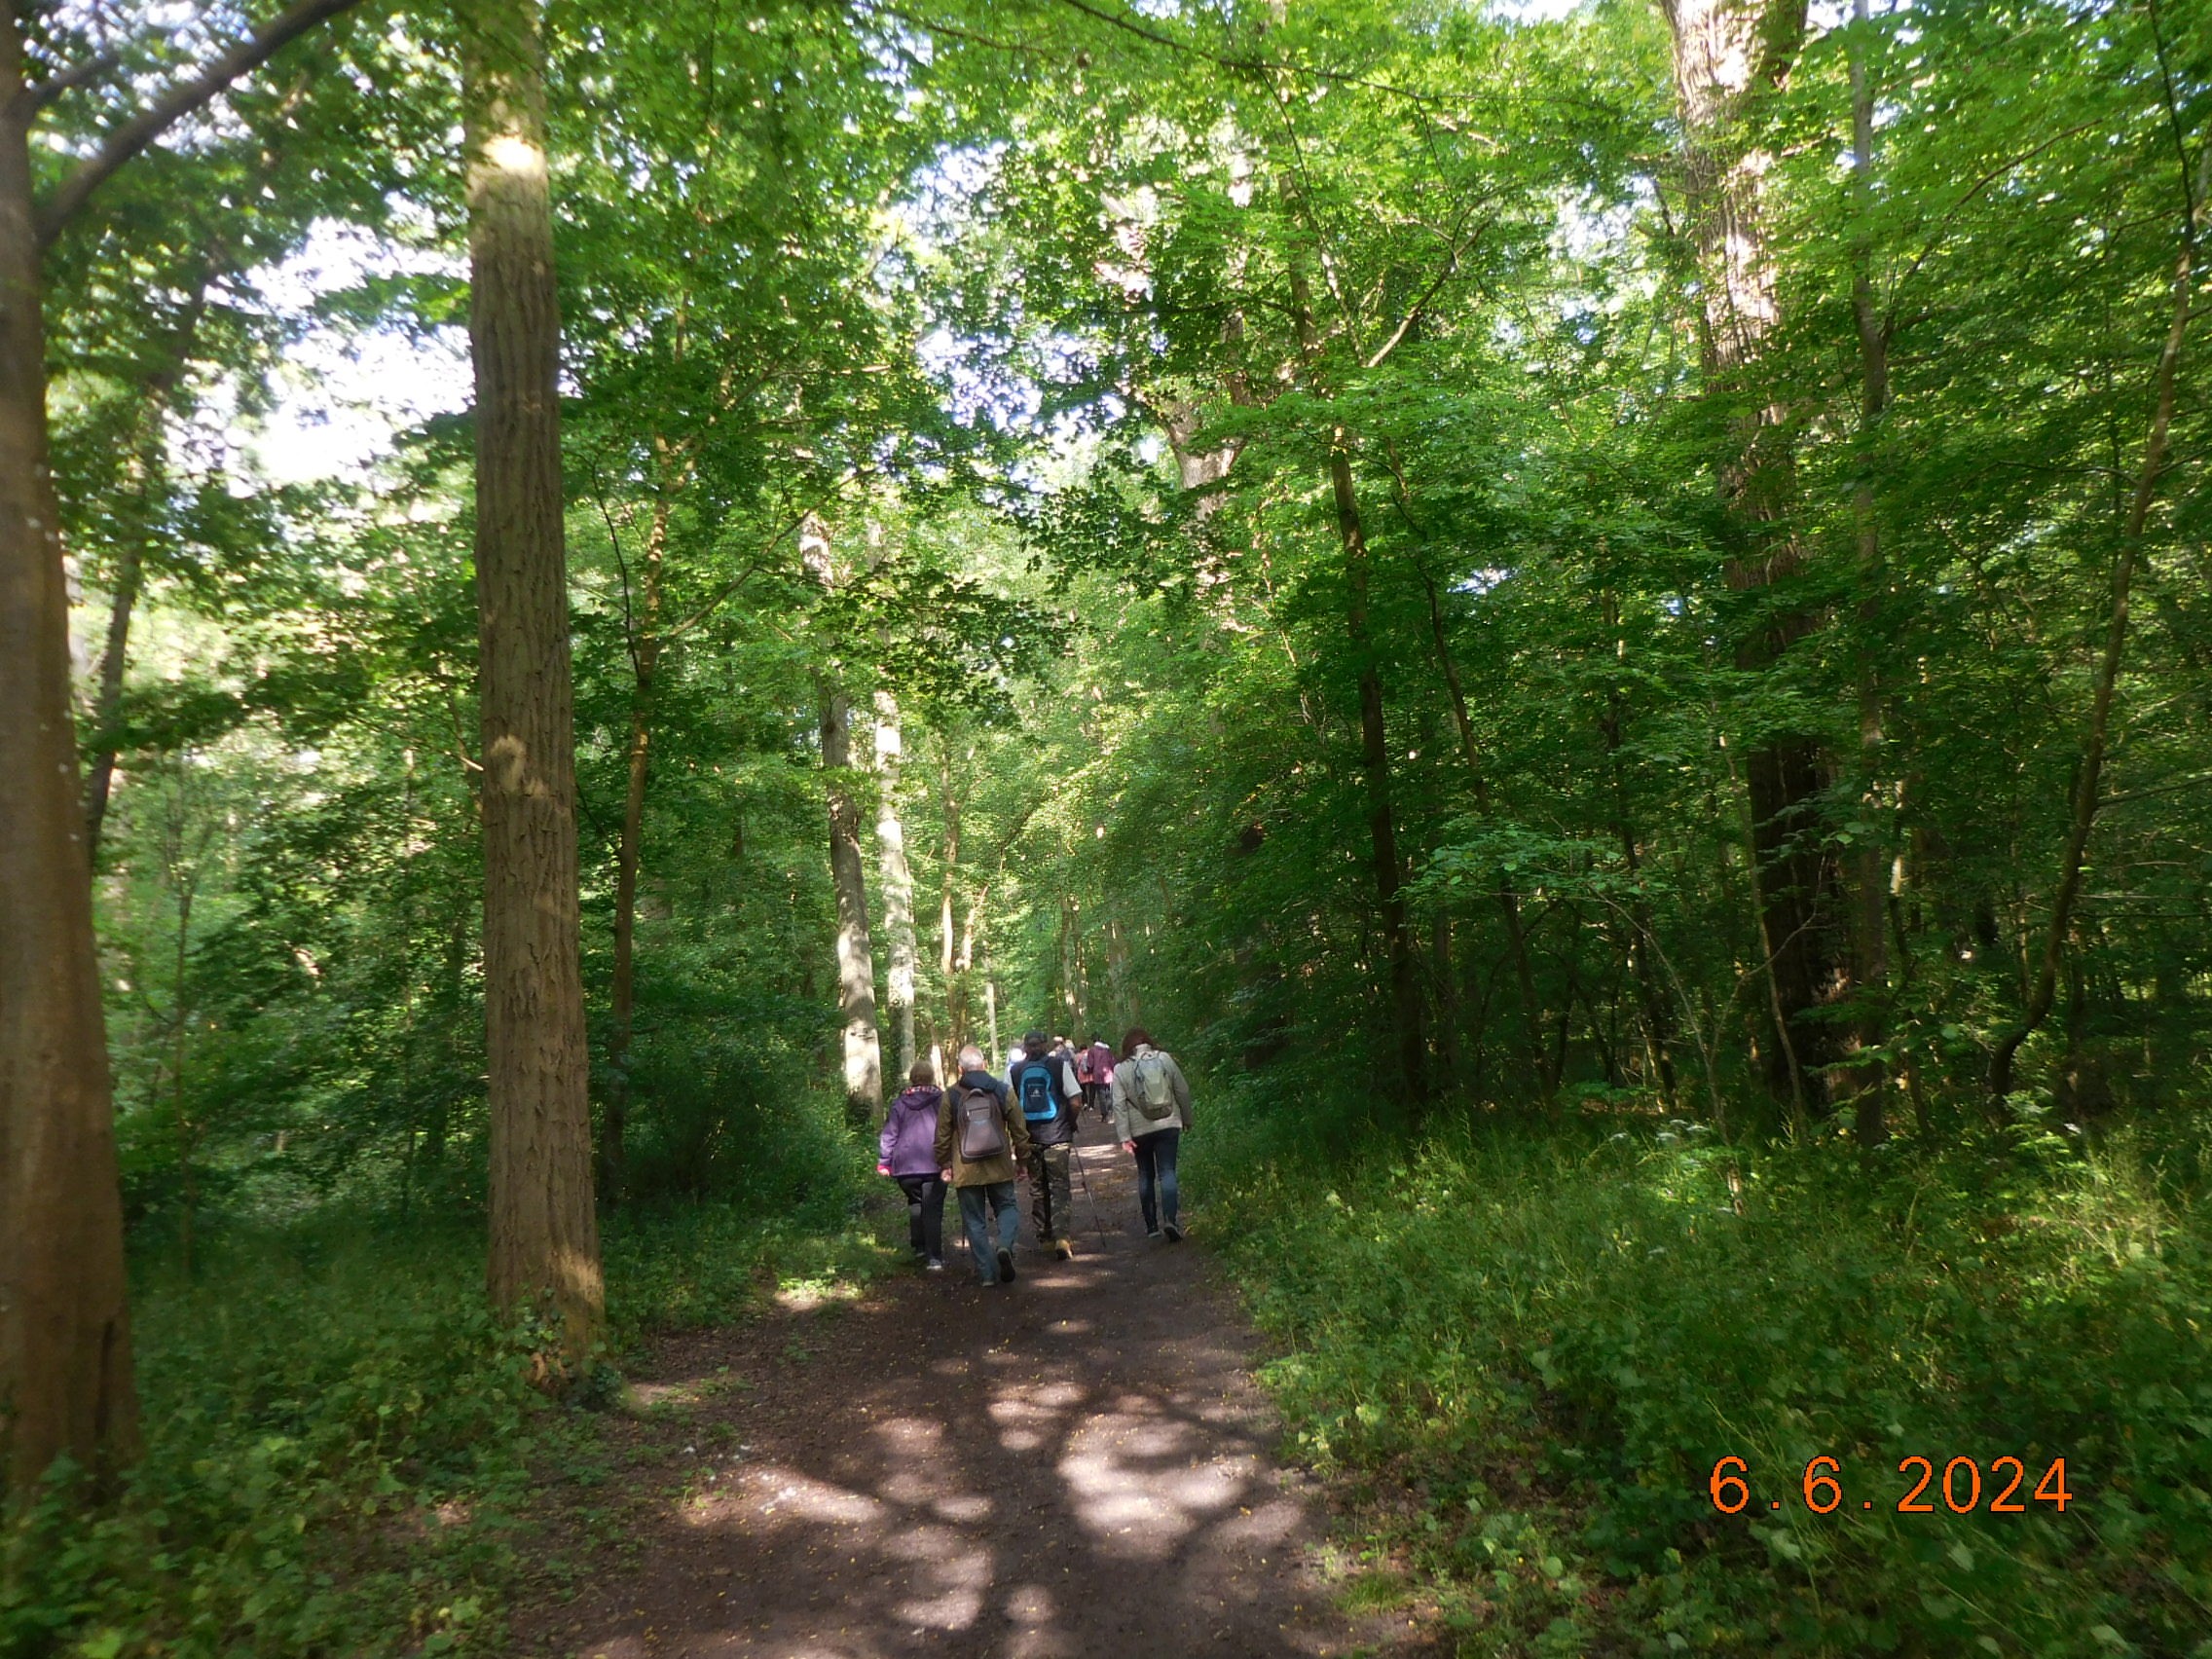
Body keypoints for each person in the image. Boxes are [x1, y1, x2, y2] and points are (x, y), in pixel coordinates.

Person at [936, 1043, 1031, 1286]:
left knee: (974, 1220)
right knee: (1008, 1207)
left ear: (960, 1069)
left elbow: (942, 1135)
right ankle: (1004, 1246)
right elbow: (1020, 1130)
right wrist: (1023, 1161)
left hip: (966, 1169)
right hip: (999, 1165)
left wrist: (945, 1163)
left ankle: (987, 1275)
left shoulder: (952, 1095)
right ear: (985, 1064)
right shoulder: (1002, 1090)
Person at [1110, 1026, 1192, 1241]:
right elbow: (1182, 1090)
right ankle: (1171, 1220)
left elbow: (1118, 1105)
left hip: (1139, 1131)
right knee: (1168, 1172)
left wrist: (1124, 1137)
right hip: (1168, 1123)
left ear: (1127, 1046)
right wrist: (1186, 1118)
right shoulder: (1164, 1059)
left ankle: (1152, 1226)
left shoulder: (1120, 1069)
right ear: (1148, 1041)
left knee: (1145, 1174)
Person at [1009, 1027, 1083, 1260]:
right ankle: (1062, 1236)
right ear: (1045, 1044)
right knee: (1059, 1187)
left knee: (1038, 1189)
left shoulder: (1015, 1071)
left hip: (1029, 1138)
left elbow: (1009, 1107)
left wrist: (1017, 1136)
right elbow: (1076, 1100)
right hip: (1058, 1136)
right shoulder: (1058, 1065)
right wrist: (1070, 1123)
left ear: (1025, 1047)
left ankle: (1045, 1237)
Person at [878, 1060, 947, 1270]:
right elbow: (949, 1129)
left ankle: (919, 1247)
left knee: (916, 1203)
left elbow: (890, 1134)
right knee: (932, 1209)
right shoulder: (942, 1101)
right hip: (934, 1164)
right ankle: (934, 1257)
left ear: (912, 1078)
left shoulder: (899, 1103)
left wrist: (884, 1162)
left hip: (906, 1166)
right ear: (932, 1076)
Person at [1079, 1033, 1115, 1123]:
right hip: (1109, 1074)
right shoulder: (1107, 1050)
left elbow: (1090, 1064)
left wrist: (1089, 1071)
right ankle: (1111, 1112)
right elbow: (1112, 1061)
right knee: (1108, 1093)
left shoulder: (1092, 1051)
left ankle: (1105, 1115)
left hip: (1098, 1075)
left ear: (1093, 1040)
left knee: (1101, 1095)